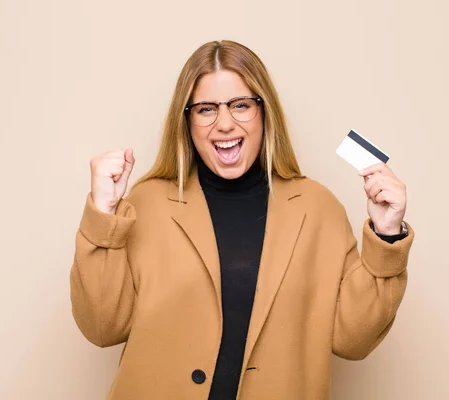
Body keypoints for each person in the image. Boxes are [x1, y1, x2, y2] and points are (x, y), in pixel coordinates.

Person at [69, 40, 414, 400]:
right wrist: (103, 215)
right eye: (206, 109)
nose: (224, 124)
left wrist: (386, 236)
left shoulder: (318, 208)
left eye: (240, 105)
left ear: (265, 112)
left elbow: (353, 341)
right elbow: (101, 327)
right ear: (186, 120)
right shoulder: (145, 203)